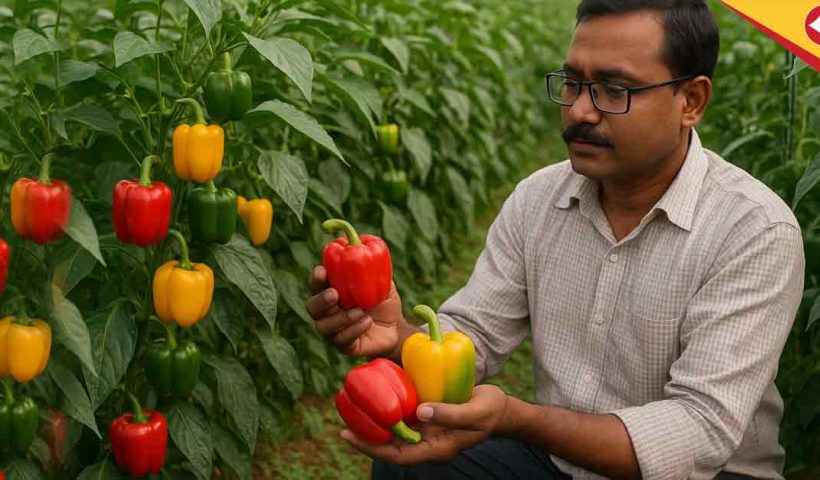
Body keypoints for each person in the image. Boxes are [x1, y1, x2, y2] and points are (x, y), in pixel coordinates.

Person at [305, 0, 805, 478]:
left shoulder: (752, 229)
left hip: (708, 475)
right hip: (563, 463)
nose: (580, 111)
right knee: (411, 463)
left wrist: (519, 419)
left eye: (615, 90)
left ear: (691, 101)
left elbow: (697, 432)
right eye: (573, 83)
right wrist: (398, 338)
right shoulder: (538, 199)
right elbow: (470, 341)